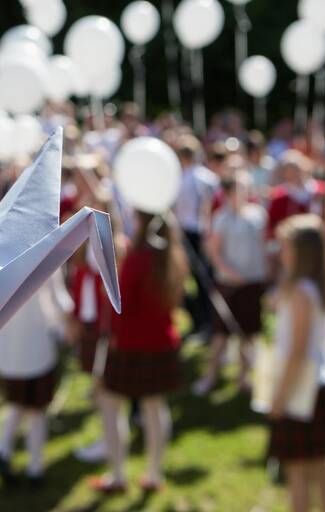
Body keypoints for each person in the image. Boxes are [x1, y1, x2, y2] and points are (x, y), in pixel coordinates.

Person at [90, 212, 187, 495]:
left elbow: (121, 304)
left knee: (110, 406)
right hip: (162, 343)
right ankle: (154, 474)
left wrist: (110, 281)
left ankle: (118, 476)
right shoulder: (173, 257)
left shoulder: (138, 259)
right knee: (155, 407)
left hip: (131, 345)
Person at [267, 214, 325, 512]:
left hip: (302, 386)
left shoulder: (301, 293)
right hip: (319, 381)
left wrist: (279, 397)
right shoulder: (314, 286)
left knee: (297, 469)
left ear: (302, 253)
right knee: (320, 461)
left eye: (286, 247)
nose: (280, 253)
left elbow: (297, 352)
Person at [0, 270, 71, 486]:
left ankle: (3, 449)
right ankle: (34, 467)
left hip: (8, 348)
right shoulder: (48, 256)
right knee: (36, 409)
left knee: (19, 403)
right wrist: (65, 329)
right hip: (36, 346)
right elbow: (59, 301)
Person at [197, 171, 268, 396]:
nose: (245, 192)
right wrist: (230, 273)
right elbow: (214, 252)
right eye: (239, 188)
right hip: (229, 285)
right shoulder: (222, 218)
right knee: (221, 335)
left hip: (253, 283)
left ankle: (244, 378)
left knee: (250, 334)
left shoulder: (258, 214)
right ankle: (210, 376)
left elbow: (264, 246)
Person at [174, 136, 218, 339]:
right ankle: (203, 321)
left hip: (192, 233)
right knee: (200, 280)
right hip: (199, 233)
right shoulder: (209, 177)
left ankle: (204, 322)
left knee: (200, 280)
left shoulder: (183, 179)